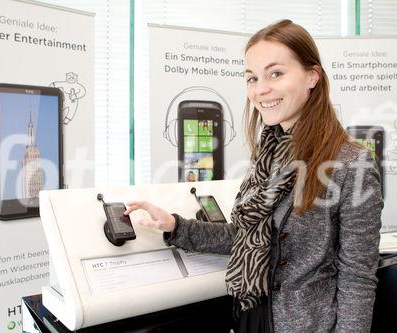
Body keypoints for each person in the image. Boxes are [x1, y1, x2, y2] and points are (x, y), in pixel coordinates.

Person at [125, 19, 383, 333]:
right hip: (252, 317)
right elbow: (243, 238)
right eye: (252, 77)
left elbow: (357, 278)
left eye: (276, 73)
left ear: (312, 76)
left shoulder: (352, 163)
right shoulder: (268, 156)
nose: (260, 89)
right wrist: (174, 225)